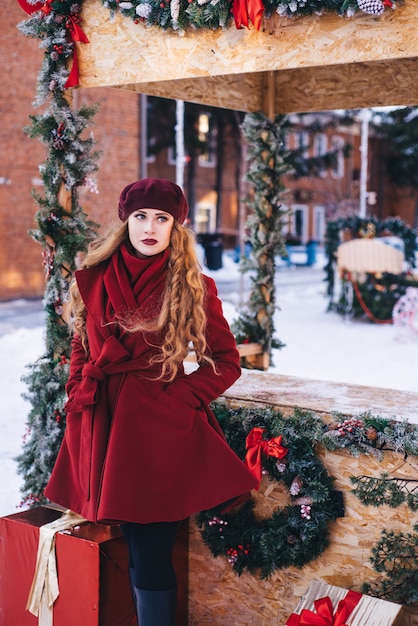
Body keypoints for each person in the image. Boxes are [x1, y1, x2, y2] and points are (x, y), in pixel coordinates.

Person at [44, 178, 258, 626]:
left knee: (152, 549)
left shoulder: (192, 286)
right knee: (134, 548)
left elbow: (225, 362)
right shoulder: (95, 279)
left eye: (161, 218)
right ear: (126, 221)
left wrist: (176, 398)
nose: (149, 226)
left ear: (176, 227)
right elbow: (82, 344)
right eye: (141, 216)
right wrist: (78, 386)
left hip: (158, 432)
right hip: (101, 423)